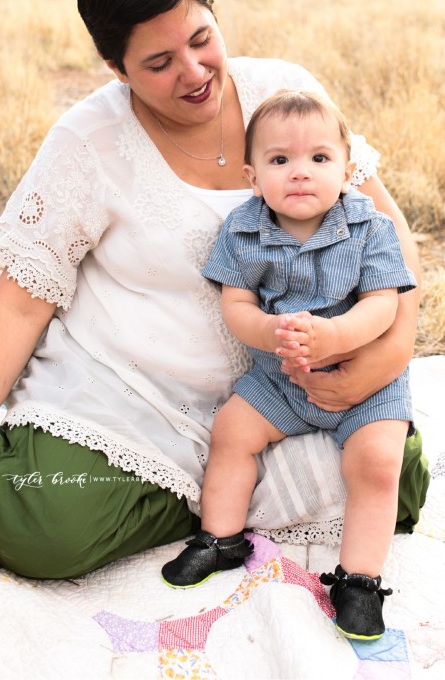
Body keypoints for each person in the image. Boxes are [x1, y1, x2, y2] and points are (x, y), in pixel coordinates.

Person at [0, 0, 429, 581]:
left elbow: (387, 235)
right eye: (158, 62)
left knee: (399, 484)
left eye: (201, 38)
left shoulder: (287, 95)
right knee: (48, 534)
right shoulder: (88, 141)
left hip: (278, 396)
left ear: (213, 10)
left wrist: (383, 357)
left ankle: (206, 504)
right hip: (136, 399)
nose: (195, 72)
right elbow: (18, 303)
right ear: (116, 68)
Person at [161, 91, 417, 640]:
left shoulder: (369, 227)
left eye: (319, 159)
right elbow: (237, 305)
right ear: (254, 177)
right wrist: (269, 331)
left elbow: (384, 303)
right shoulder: (243, 229)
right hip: (281, 377)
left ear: (348, 170)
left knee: (376, 463)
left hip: (368, 382)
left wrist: (335, 334)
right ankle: (220, 538)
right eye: (280, 161)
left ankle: (359, 582)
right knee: (232, 431)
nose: (300, 173)